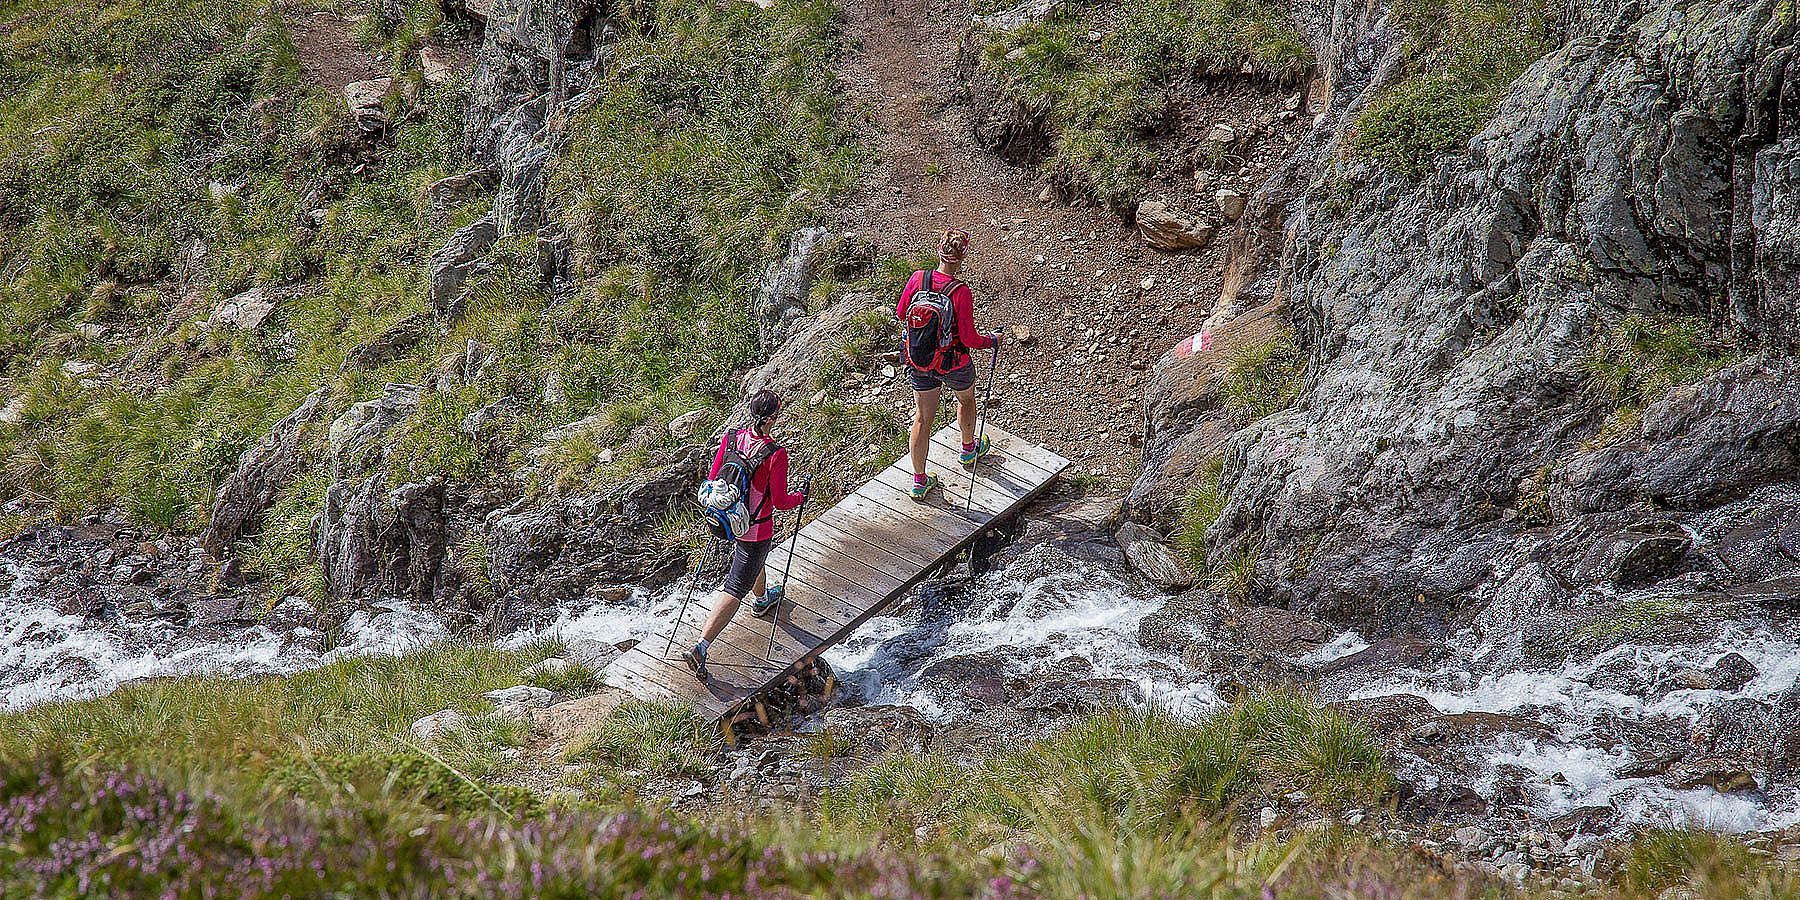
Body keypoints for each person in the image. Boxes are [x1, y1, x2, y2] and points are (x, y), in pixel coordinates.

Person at [683, 390, 806, 681]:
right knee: (735, 588)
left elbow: (714, 478)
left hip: (727, 519)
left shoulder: (732, 438)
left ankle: (762, 598)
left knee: (752, 563)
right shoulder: (775, 454)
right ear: (774, 417)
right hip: (756, 528)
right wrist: (801, 496)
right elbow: (779, 501)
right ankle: (701, 646)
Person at [897, 228, 1002, 501]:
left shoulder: (918, 278)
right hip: (953, 361)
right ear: (962, 257)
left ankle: (919, 481)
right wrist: (991, 340)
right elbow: (968, 338)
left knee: (922, 417)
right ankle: (968, 449)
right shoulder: (960, 291)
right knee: (966, 400)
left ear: (938, 250)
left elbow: (901, 313)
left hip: (919, 359)